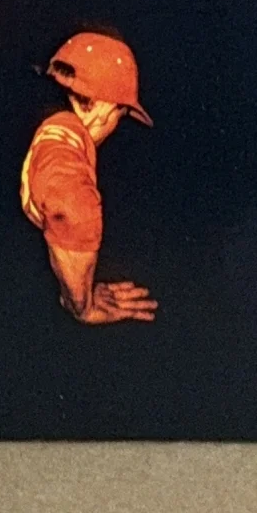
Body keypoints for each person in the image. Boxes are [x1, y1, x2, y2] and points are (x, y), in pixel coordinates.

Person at [22, 33, 157, 324]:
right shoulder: (67, 137)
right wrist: (82, 305)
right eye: (121, 115)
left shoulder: (30, 96)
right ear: (104, 110)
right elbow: (70, 207)